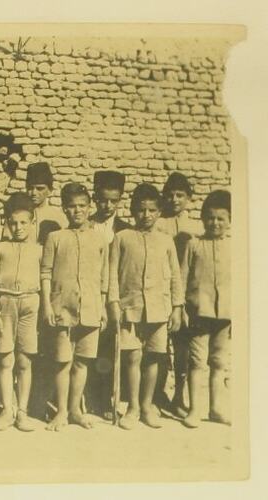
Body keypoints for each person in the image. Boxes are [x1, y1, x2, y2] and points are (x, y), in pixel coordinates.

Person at [108, 183, 184, 430]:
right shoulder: (121, 238)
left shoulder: (166, 241)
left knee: (153, 358)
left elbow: (175, 276)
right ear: (132, 211)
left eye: (152, 210)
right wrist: (114, 303)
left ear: (159, 212)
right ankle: (133, 407)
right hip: (130, 307)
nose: (146, 215)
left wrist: (176, 307)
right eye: (141, 210)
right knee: (132, 357)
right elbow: (111, 273)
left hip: (158, 309)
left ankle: (148, 404)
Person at [41, 183, 109, 431]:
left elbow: (105, 277)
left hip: (90, 307)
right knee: (62, 361)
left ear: (90, 207)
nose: (77, 211)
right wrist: (48, 305)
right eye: (71, 206)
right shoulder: (55, 238)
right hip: (62, 307)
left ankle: (75, 410)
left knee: (82, 362)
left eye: (82, 206)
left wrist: (102, 307)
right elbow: (45, 273)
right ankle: (60, 412)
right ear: (64, 209)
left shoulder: (99, 239)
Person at [0, 192, 42, 432]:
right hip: (5, 303)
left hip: (30, 303)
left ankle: (22, 412)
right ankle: (6, 410)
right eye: (13, 223)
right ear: (7, 222)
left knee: (24, 360)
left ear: (32, 222)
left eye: (23, 223)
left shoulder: (39, 250)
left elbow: (46, 278)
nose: (18, 228)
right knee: (6, 358)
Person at [181, 190, 231, 428]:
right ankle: (194, 409)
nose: (215, 223)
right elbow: (182, 278)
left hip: (225, 314)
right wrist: (180, 306)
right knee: (197, 361)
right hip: (199, 312)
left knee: (219, 361)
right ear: (203, 219)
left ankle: (216, 408)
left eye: (221, 218)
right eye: (210, 218)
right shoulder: (194, 244)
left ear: (229, 221)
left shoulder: (233, 248)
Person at [155, 172, 202, 417]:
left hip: (187, 294)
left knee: (182, 348)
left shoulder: (196, 227)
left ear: (189, 198)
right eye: (170, 195)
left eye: (180, 195)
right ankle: (157, 394)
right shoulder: (158, 224)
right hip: (162, 292)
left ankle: (179, 395)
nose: (174, 200)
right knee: (160, 347)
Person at [88, 170, 131, 417]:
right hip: (91, 293)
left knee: (109, 350)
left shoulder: (126, 229)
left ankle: (106, 400)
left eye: (113, 201)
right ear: (95, 198)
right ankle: (88, 397)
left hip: (113, 297)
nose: (107, 205)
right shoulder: (86, 225)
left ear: (120, 200)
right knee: (88, 349)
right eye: (103, 200)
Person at [3, 162, 67, 246]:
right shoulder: (16, 215)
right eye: (30, 188)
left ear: (50, 190)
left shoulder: (58, 217)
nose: (34, 193)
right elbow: (6, 243)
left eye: (40, 188)